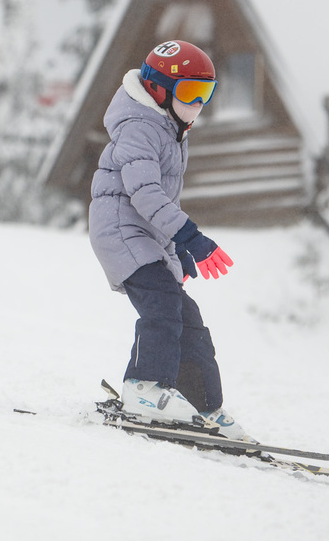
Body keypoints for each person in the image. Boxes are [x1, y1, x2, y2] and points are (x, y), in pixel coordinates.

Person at [88, 40, 253, 442]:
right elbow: (144, 193)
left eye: (206, 94)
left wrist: (175, 244)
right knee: (161, 305)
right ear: (159, 91)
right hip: (120, 229)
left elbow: (161, 198)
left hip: (147, 233)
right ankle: (144, 389)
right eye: (191, 94)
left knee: (187, 318)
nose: (199, 105)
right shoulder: (140, 126)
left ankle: (202, 403)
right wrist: (189, 236)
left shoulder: (170, 128)